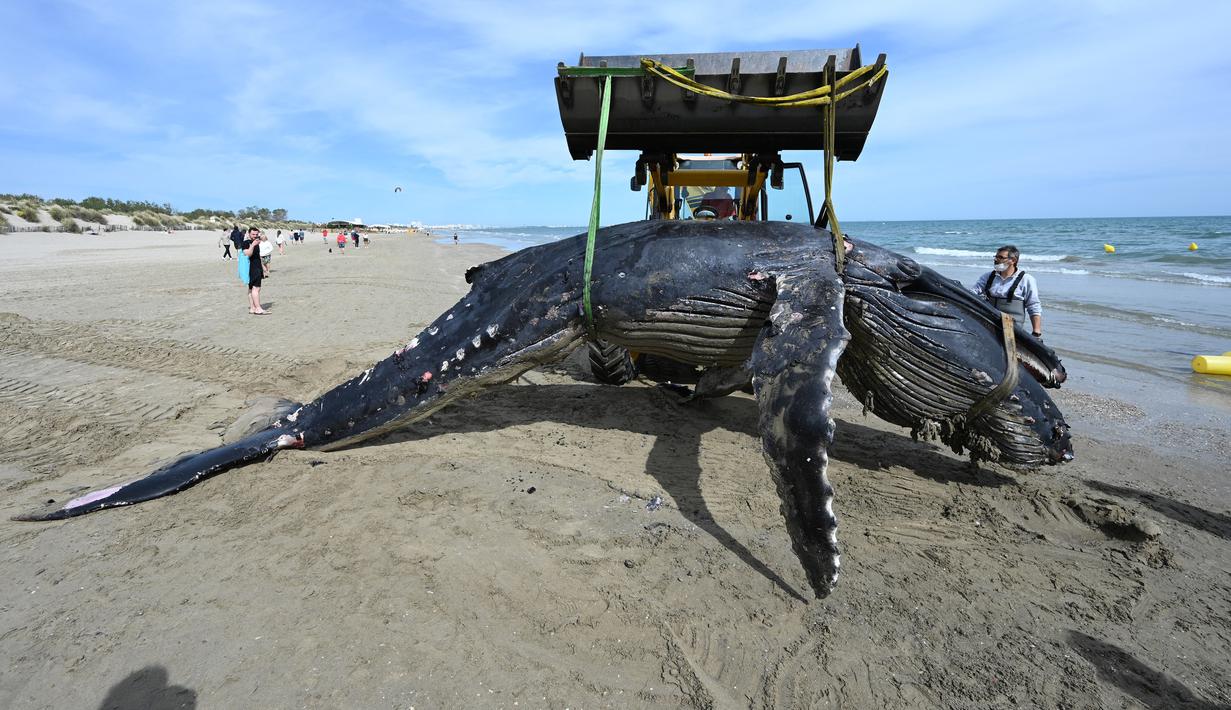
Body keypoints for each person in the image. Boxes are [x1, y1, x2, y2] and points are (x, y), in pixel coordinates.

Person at [972, 245, 1043, 338]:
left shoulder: (1026, 279)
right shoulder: (988, 276)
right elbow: (972, 293)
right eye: (996, 257)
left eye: (1001, 257)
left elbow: (1033, 305)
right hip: (988, 323)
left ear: (1013, 260)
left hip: (1012, 329)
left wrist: (1036, 332)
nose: (996, 260)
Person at [242, 228, 268, 314]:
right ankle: (258, 308)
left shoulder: (257, 243)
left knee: (251, 289)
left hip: (257, 267)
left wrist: (263, 268)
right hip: (252, 268)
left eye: (256, 234)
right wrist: (252, 245)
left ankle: (252, 308)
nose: (255, 236)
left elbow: (258, 256)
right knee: (256, 288)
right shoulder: (246, 243)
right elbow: (247, 254)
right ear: (249, 234)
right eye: (253, 234)